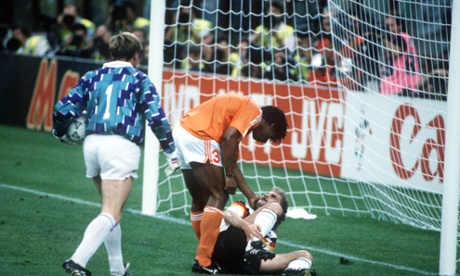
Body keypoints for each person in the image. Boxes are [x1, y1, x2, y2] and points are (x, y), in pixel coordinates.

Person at [52, 32, 180, 276]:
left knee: (112, 210)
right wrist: (170, 151)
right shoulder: (139, 78)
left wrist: (59, 133)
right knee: (111, 211)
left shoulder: (91, 76)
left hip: (92, 144)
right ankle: (77, 260)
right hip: (120, 145)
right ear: (135, 55)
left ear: (112, 53)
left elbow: (62, 108)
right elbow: (156, 118)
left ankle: (117, 271)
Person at [172, 93, 289, 274]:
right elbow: (227, 139)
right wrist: (229, 176)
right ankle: (204, 259)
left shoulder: (240, 118)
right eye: (270, 136)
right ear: (270, 125)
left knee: (200, 197)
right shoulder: (255, 113)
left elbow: (231, 159)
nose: (264, 141)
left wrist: (250, 196)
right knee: (219, 195)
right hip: (200, 135)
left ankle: (207, 253)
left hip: (182, 130)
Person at [212, 187, 316, 276]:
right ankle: (253, 246)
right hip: (226, 248)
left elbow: (259, 261)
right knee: (274, 207)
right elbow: (227, 215)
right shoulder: (243, 206)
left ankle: (291, 272)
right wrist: (246, 226)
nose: (266, 195)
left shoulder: (271, 236)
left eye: (273, 197)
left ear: (279, 213)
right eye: (268, 193)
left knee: (306, 255)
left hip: (242, 264)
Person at [380, 13, 421, 95]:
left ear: (399, 26)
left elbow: (397, 51)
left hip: (397, 87)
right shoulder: (406, 37)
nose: (388, 29)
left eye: (391, 25)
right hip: (410, 84)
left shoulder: (399, 37)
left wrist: (383, 39)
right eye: (386, 26)